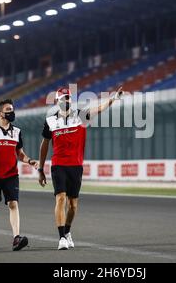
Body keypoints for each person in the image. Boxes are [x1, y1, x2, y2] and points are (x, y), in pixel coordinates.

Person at [38, 86, 123, 250]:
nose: (66, 101)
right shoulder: (50, 121)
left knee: (73, 204)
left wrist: (113, 98)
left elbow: (99, 109)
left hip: (75, 166)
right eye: (63, 99)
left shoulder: (80, 116)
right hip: (58, 165)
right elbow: (44, 145)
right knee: (60, 198)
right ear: (57, 101)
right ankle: (61, 237)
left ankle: (68, 231)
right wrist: (41, 169)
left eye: (68, 98)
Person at [0, 99, 38, 251]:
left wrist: (30, 161)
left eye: (12, 109)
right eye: (8, 110)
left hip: (11, 174)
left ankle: (16, 238)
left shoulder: (17, 131)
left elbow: (20, 154)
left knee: (13, 204)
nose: (12, 112)